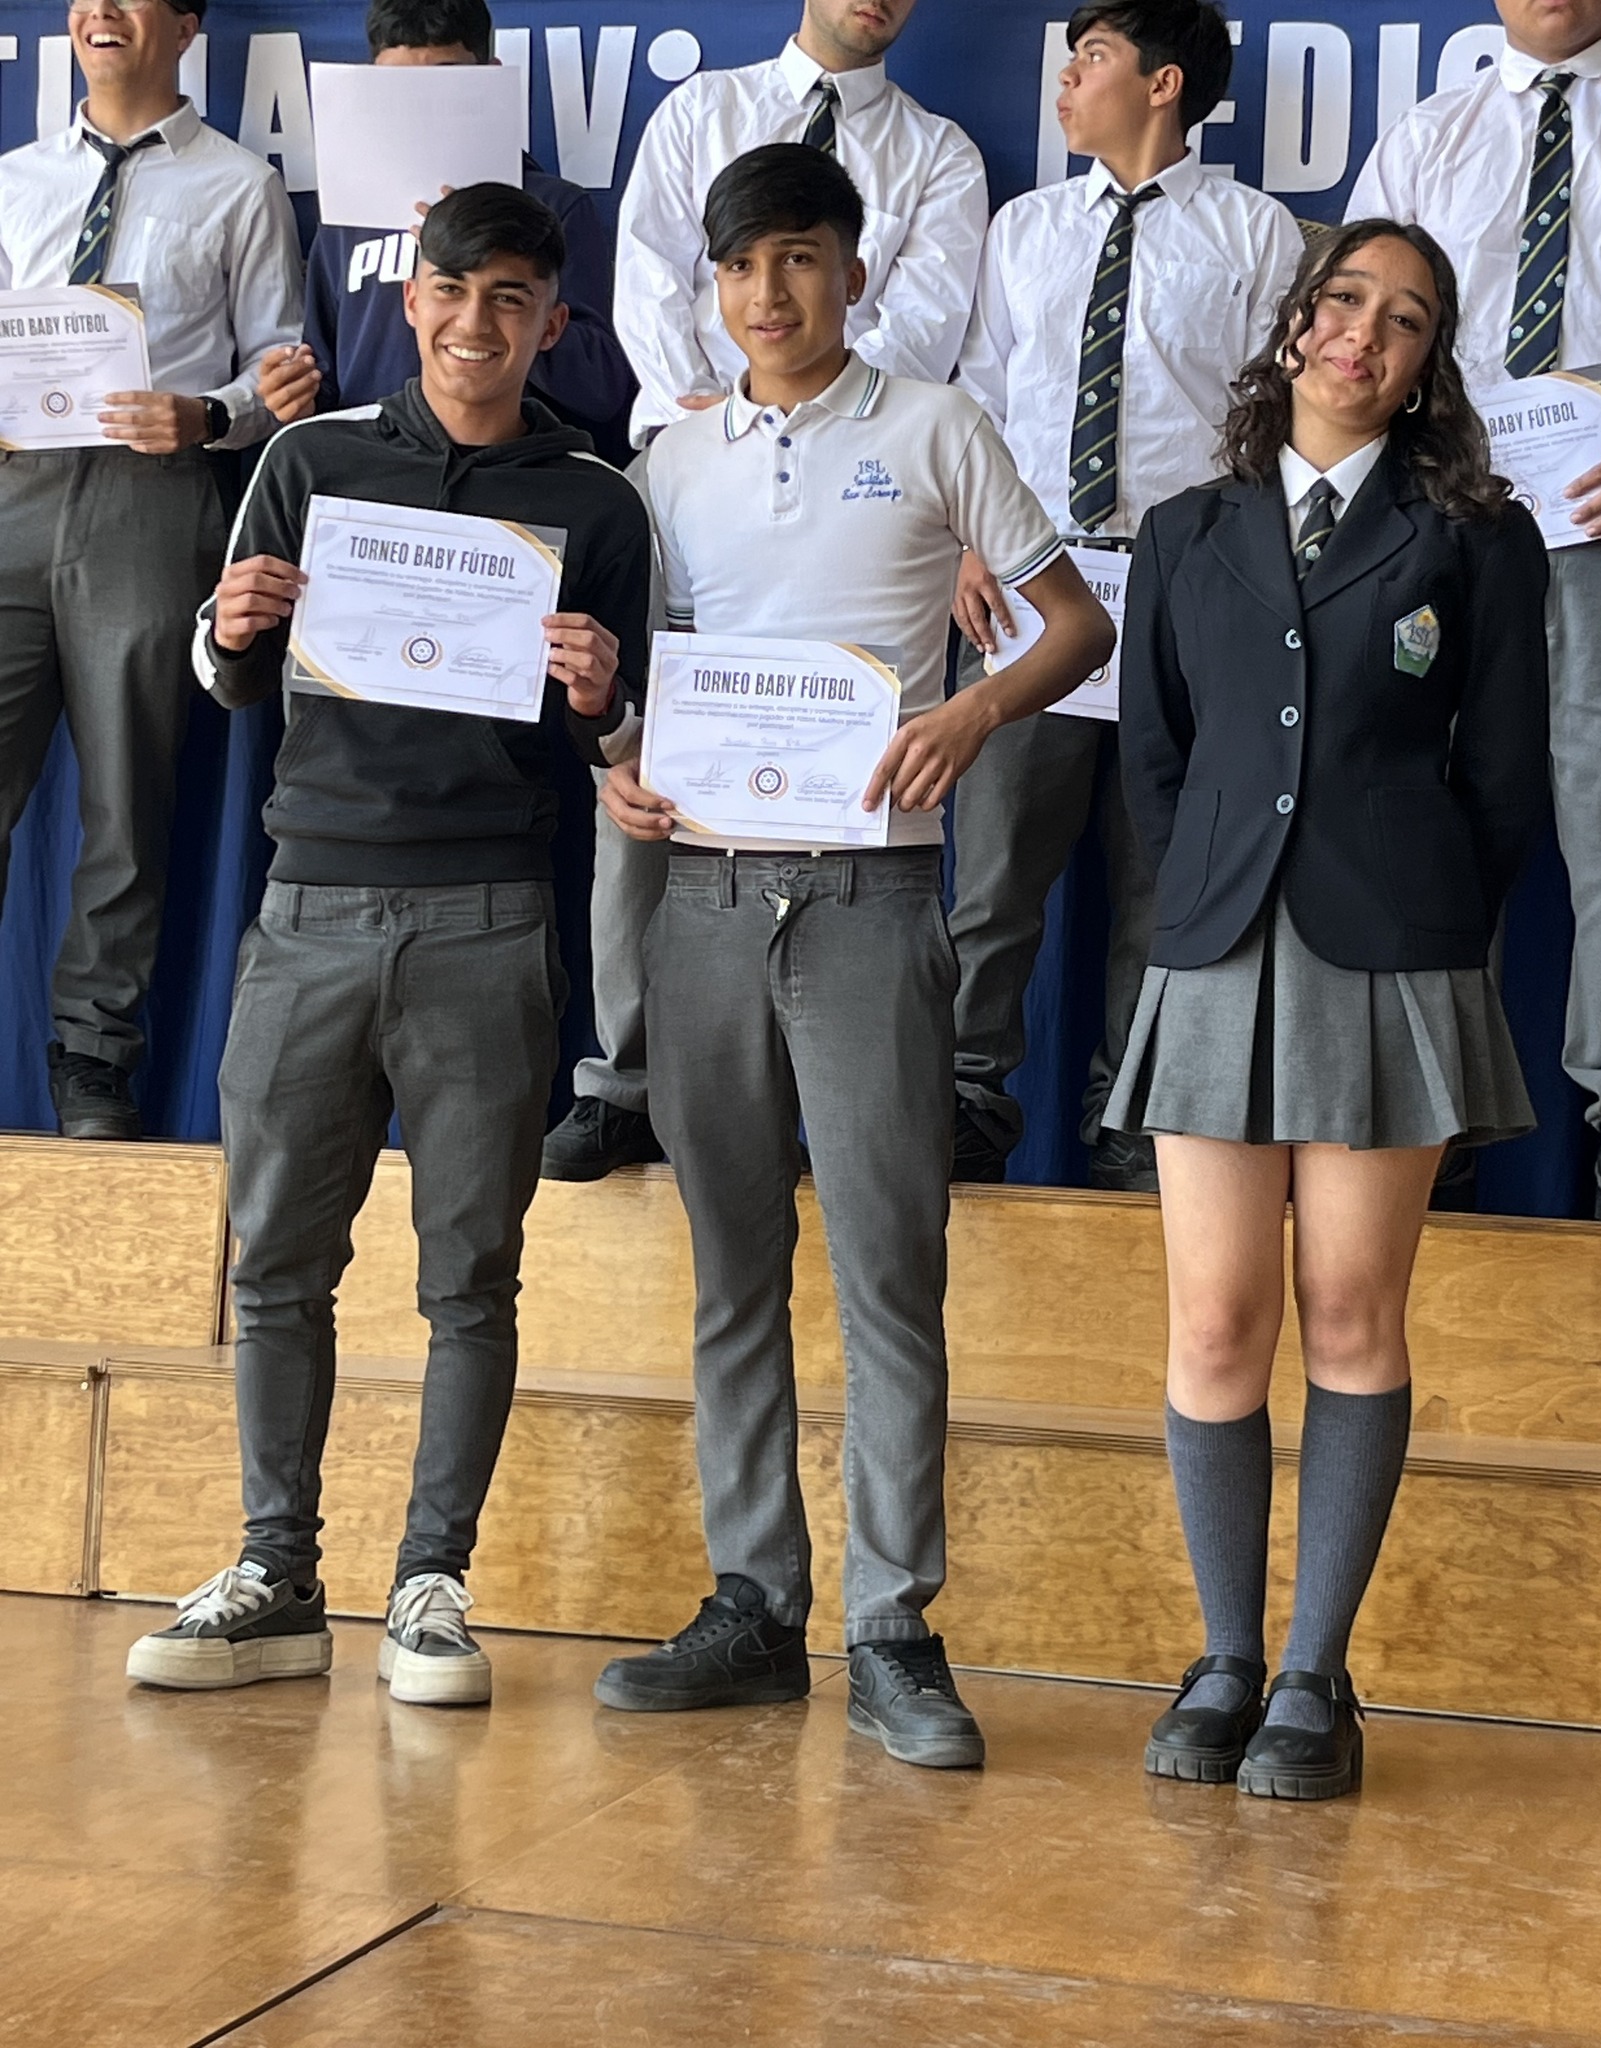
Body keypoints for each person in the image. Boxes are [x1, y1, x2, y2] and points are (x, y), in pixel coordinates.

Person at [589, 146, 1114, 1769]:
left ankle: (892, 1629)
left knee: (889, 1268)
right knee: (731, 1269)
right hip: (702, 899)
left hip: (872, 900)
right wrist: (618, 756)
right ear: (711, 288)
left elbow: (1077, 624)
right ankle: (753, 1604)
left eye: (800, 258)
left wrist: (973, 710)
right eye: (741, 266)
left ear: (852, 274)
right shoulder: (670, 459)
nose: (770, 292)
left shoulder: (936, 426)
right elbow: (651, 674)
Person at [125, 184, 652, 1707]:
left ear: (552, 323)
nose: (476, 323)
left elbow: (630, 745)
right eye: (452, 292)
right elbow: (226, 677)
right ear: (408, 300)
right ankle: (275, 1575)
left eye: (511, 299)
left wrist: (605, 693)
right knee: (277, 1265)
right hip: (308, 907)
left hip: (489, 915)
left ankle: (432, 1585)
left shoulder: (598, 498)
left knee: (467, 1277)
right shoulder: (309, 459)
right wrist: (230, 625)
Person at [1115, 222, 1548, 1798]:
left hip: (1392, 959)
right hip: (1215, 952)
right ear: (1295, 323)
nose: (1364, 331)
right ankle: (1224, 1659)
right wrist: (1200, 905)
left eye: (1405, 319)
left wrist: (1424, 919)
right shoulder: (1185, 530)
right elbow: (1152, 763)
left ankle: (1313, 1677)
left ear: (1425, 367)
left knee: (1353, 1313)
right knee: (1214, 1320)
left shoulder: (1474, 538)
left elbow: (1501, 778)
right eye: (1343, 299)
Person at [544, 0, 988, 1184]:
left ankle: (813, 1087)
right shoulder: (702, 109)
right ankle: (628, 1076)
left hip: (852, 473)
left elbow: (919, 321)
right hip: (688, 460)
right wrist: (721, 405)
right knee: (644, 756)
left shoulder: (938, 153)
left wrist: (796, 399)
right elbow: (652, 271)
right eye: (749, 261)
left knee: (828, 780)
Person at [947, 0, 1303, 1187]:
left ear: (1162, 83)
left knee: (1165, 879)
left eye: (1090, 57)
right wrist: (968, 541)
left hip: (1189, 590)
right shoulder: (1024, 228)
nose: (1064, 79)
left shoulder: (1254, 233)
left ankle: (1135, 1120)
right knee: (994, 873)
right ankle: (962, 1094)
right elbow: (979, 401)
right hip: (1033, 584)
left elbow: (1273, 421)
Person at [1348, 0, 1601, 1227]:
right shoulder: (1426, 137)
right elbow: (1355, 337)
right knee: (1422, 831)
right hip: (1444, 540)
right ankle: (1426, 1141)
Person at [0, 0, 301, 1140]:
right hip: (12, 491)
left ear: (184, 25)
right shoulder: (14, 179)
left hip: (154, 496)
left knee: (129, 798)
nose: (100, 12)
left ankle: (93, 1056)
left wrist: (206, 415)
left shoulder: (239, 184)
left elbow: (278, 367)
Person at [257, 0, 634, 458]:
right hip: (373, 469)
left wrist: (488, 253)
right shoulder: (348, 212)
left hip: (510, 468)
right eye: (397, 86)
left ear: (490, 78)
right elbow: (325, 375)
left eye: (444, 80)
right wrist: (296, 391)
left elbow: (602, 389)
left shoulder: (555, 207)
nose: (420, 105)